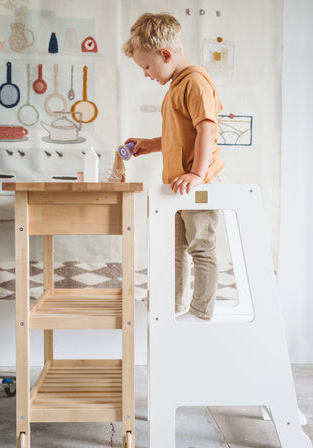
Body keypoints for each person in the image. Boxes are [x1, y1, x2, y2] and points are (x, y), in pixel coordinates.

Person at [122, 12, 225, 321]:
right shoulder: (175, 88)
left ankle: (201, 310)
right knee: (175, 247)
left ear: (165, 54)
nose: (146, 74)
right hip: (180, 185)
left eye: (147, 66)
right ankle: (176, 303)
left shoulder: (195, 82)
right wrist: (150, 144)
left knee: (201, 247)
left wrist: (196, 174)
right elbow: (180, 136)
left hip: (199, 184)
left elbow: (207, 128)